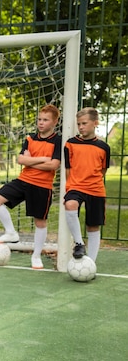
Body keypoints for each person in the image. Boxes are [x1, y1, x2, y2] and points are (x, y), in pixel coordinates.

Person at [0, 104, 62, 269]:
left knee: (40, 222)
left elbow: (53, 165)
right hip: (23, 180)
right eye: (39, 119)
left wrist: (32, 160)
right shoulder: (30, 138)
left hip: (42, 186)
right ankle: (11, 233)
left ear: (55, 122)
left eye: (45, 120)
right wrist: (43, 159)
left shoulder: (57, 140)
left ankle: (36, 256)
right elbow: (21, 160)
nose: (41, 123)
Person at [64, 107, 110, 261]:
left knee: (93, 226)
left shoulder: (104, 147)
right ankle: (79, 243)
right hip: (75, 186)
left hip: (96, 189)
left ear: (95, 123)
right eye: (79, 124)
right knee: (70, 205)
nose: (81, 127)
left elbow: (103, 170)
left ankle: (91, 262)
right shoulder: (70, 144)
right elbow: (68, 169)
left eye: (84, 123)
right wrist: (70, 186)